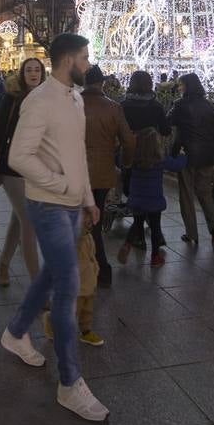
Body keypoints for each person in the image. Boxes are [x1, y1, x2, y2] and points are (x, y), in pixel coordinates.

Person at [0, 33, 108, 423]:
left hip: (71, 206)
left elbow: (76, 152)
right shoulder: (40, 100)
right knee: (68, 286)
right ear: (67, 61)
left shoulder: (74, 98)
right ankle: (69, 382)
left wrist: (87, 198)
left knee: (51, 276)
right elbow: (18, 156)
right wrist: (62, 185)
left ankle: (15, 332)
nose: (88, 63)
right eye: (84, 57)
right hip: (47, 205)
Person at [0, 58, 45, 286]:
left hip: (38, 168)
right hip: (12, 167)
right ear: (22, 73)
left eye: (37, 70)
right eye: (29, 70)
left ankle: (3, 264)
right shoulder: (11, 98)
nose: (33, 74)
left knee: (19, 220)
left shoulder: (47, 98)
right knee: (29, 221)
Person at [82, 64, 135, 288]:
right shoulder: (113, 107)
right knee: (94, 219)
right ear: (102, 83)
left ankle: (97, 268)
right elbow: (129, 141)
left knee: (80, 222)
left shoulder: (74, 104)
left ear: (84, 83)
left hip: (77, 172)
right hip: (103, 171)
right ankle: (100, 269)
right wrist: (126, 163)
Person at [167, 72, 214, 247]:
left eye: (181, 85)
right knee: (205, 192)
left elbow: (167, 121)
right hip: (208, 156)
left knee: (186, 194)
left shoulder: (180, 104)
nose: (179, 88)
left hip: (188, 155)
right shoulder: (210, 105)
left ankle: (191, 233)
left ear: (187, 86)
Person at [117, 127, 187, 267]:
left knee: (137, 223)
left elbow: (120, 162)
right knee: (155, 228)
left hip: (137, 198)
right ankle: (155, 258)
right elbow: (177, 166)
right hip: (154, 200)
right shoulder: (160, 159)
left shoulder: (135, 157)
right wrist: (182, 155)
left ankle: (126, 245)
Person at [121, 70, 171, 249]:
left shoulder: (124, 105)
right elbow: (166, 130)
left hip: (131, 155)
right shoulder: (156, 106)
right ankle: (155, 234)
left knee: (134, 194)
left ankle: (139, 236)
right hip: (152, 155)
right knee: (152, 194)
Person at [44, 213, 103, 347]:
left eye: (90, 217)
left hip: (89, 281)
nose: (90, 220)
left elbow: (92, 256)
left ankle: (86, 331)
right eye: (86, 218)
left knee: (87, 310)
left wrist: (95, 269)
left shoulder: (88, 237)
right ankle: (51, 322)